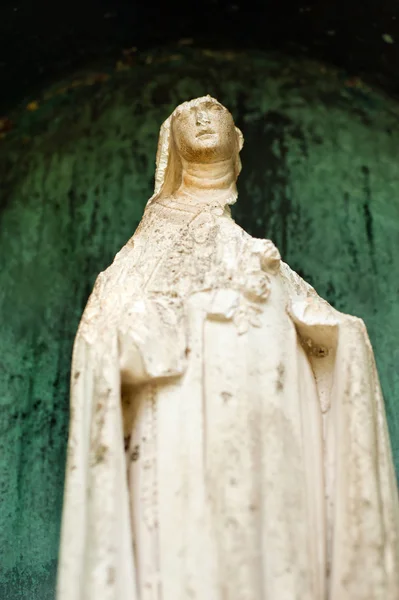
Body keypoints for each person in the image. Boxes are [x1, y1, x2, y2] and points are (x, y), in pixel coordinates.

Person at [57, 96, 399, 600]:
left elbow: (331, 331)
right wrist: (199, 312)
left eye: (215, 112)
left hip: (264, 430)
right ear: (170, 146)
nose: (201, 116)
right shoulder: (144, 250)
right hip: (179, 429)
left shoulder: (254, 252)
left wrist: (304, 316)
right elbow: (105, 339)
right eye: (188, 114)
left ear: (237, 140)